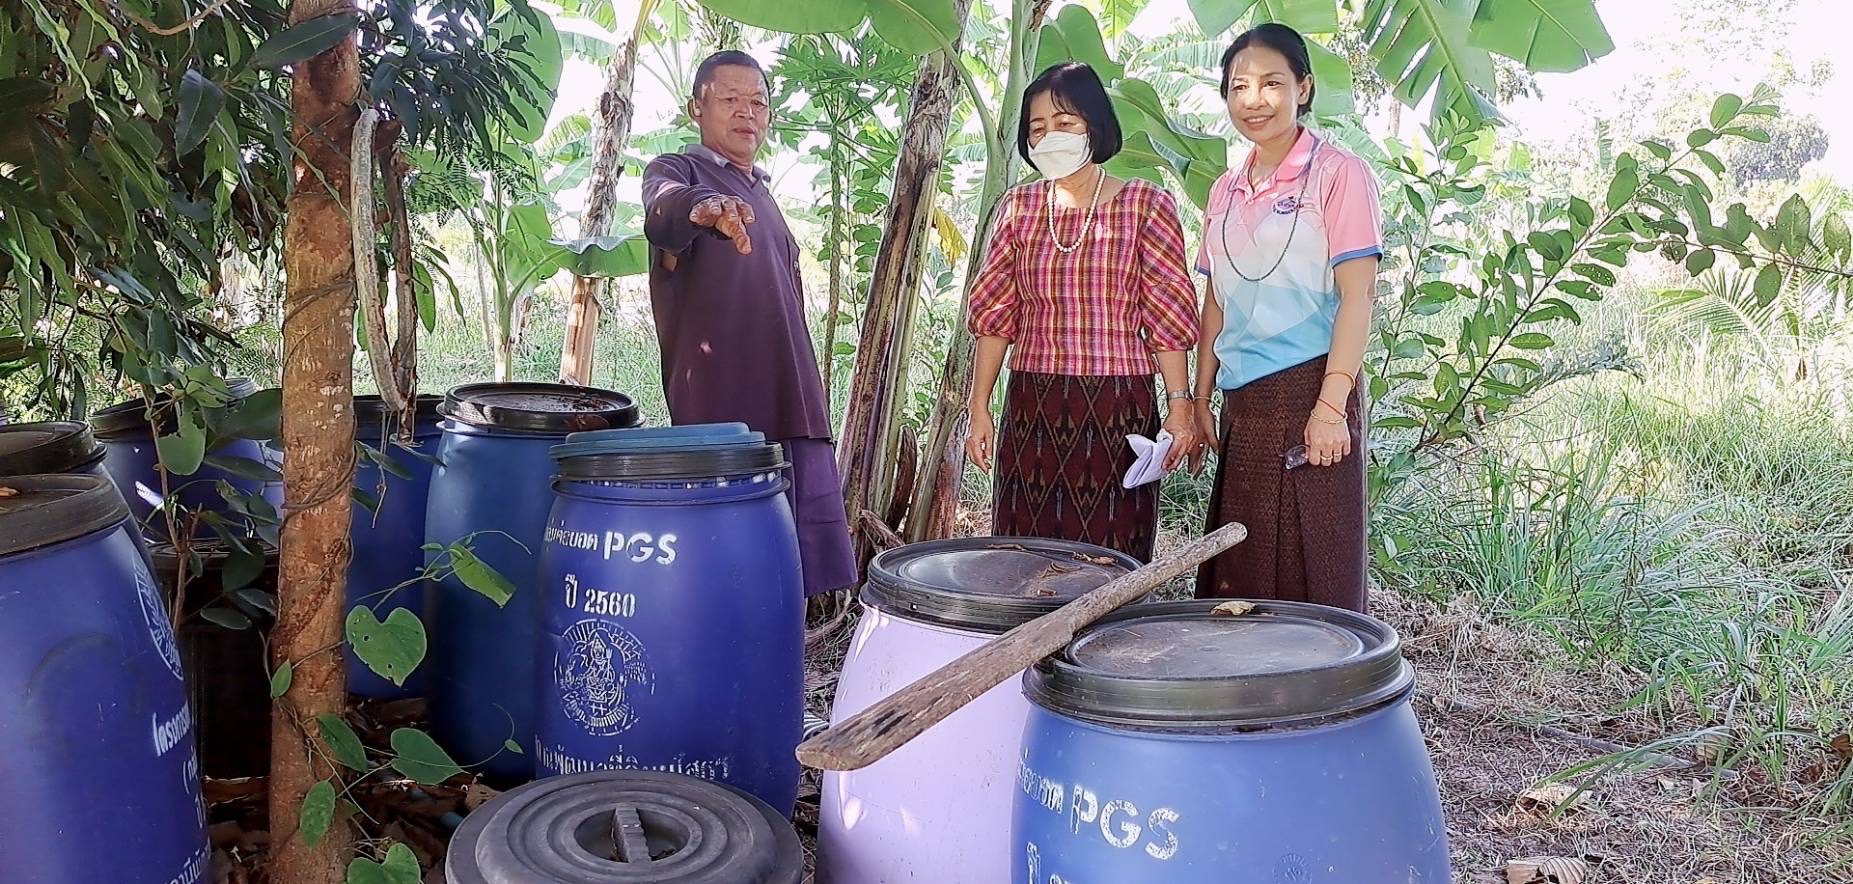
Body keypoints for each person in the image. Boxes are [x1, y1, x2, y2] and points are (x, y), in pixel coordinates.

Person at [963, 62, 1201, 563]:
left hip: (1118, 405)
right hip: (1033, 403)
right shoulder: (1017, 207)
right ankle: (1026, 644)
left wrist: (1179, 408)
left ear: (1094, 124)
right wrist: (980, 407)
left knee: (1110, 553)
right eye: (1037, 128)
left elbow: (1167, 317)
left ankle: (1103, 643)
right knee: (1023, 552)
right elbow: (995, 315)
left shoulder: (1146, 205)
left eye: (1065, 122)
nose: (1051, 135)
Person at [640, 50, 857, 598]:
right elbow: (663, 209)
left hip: (793, 399)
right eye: (730, 99)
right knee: (727, 562)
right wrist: (706, 207)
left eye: (757, 102)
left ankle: (787, 666)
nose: (747, 113)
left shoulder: (763, 193)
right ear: (697, 108)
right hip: (723, 407)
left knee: (792, 564)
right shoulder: (678, 171)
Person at [1190, 24, 1383, 613]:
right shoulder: (1223, 191)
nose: (1254, 100)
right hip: (1243, 404)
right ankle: (1242, 703)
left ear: (1303, 87)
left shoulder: (1338, 174)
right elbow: (1216, 301)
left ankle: (1320, 704)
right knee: (1239, 574)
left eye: (1271, 83)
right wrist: (1200, 398)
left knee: (1313, 574)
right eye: (1239, 86)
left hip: (1312, 392)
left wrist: (1331, 408)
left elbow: (1359, 296)